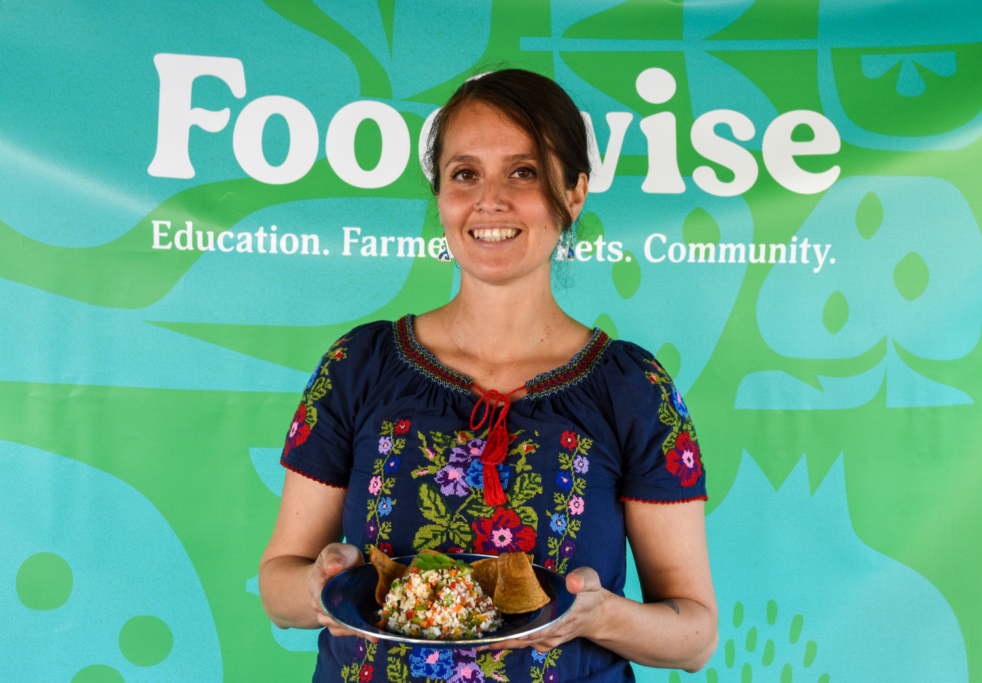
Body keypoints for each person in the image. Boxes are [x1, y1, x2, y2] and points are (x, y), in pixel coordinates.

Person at [258, 69, 717, 683]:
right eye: (464, 174)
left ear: (574, 192)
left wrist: (597, 616)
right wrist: (318, 586)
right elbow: (277, 583)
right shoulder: (359, 365)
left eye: (523, 172)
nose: (489, 200)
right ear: (441, 194)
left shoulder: (633, 388)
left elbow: (693, 637)